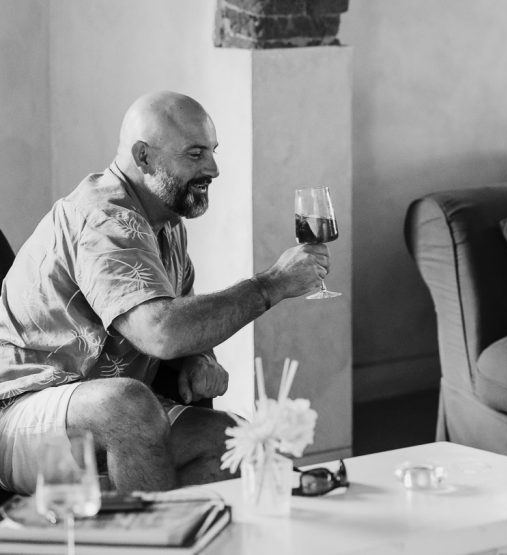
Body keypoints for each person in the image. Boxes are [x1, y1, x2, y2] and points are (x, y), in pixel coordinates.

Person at [0, 91, 330, 495]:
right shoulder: (103, 217)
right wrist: (272, 283)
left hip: (110, 414)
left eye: (212, 151)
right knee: (128, 405)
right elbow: (160, 332)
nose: (213, 168)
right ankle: (151, 528)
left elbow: (180, 320)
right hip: (24, 412)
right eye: (195, 154)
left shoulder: (167, 224)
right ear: (143, 157)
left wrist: (198, 358)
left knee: (239, 445)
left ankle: (154, 522)